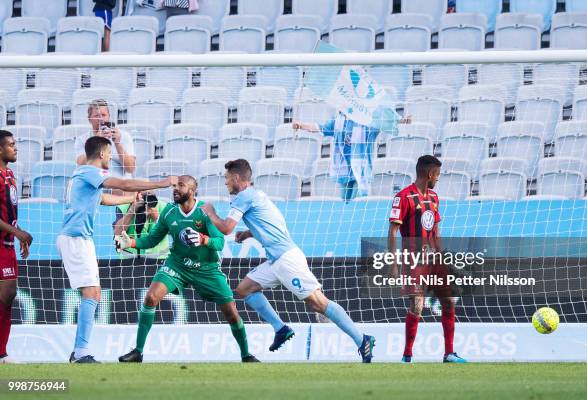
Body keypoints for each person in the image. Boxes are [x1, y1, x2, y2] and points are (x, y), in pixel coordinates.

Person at [201, 159, 376, 363]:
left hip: (286, 260)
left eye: (227, 178)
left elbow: (226, 228)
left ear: (237, 177)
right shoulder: (257, 195)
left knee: (319, 303)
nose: (225, 183)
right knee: (244, 289)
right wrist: (250, 233)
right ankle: (281, 329)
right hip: (277, 259)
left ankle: (362, 339)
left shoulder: (243, 196)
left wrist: (211, 212)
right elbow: (272, 222)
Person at [58, 136, 177, 363]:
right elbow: (123, 183)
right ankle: (79, 352)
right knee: (91, 293)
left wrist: (133, 198)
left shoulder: (82, 175)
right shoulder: (90, 172)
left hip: (77, 238)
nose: (111, 157)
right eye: (110, 153)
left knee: (93, 293)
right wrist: (161, 183)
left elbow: (102, 198)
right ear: (102, 153)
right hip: (76, 239)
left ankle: (79, 350)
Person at [116, 175, 258, 363]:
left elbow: (219, 242)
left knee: (231, 312)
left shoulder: (205, 211)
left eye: (180, 186)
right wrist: (131, 242)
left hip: (206, 268)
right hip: (178, 264)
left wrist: (203, 239)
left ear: (191, 191)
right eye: (175, 186)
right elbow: (152, 239)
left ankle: (246, 355)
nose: (175, 189)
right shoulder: (168, 211)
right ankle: (138, 351)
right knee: (151, 297)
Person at [387, 155, 467, 363]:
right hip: (413, 259)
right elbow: (393, 230)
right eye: (437, 175)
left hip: (435, 260)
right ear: (431, 174)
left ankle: (449, 353)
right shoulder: (403, 197)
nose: (438, 179)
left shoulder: (434, 197)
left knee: (448, 302)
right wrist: (393, 263)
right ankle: (407, 354)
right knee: (417, 305)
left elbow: (436, 230)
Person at [293, 112, 410, 201]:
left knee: (357, 204)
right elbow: (319, 127)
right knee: (345, 205)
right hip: (344, 171)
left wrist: (402, 120)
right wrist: (300, 125)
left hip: (361, 172)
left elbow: (384, 121)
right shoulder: (338, 121)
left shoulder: (368, 122)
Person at [0, 130, 33, 364]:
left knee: (8, 296)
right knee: (6, 295)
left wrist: (18, 232)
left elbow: (8, 212)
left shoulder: (9, 174)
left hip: (8, 244)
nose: (15, 147)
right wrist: (18, 232)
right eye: (11, 144)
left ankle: (2, 352)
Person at [76, 99, 136, 179]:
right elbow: (81, 164)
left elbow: (130, 169)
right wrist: (95, 141)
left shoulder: (124, 136)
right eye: (97, 116)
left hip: (121, 183)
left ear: (109, 117)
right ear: (89, 119)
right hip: (96, 182)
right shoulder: (82, 139)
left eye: (104, 115)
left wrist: (118, 144)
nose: (101, 119)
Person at [113, 191, 169, 259]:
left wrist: (156, 217)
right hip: (129, 260)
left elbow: (172, 231)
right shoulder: (124, 206)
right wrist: (132, 210)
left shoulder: (163, 206)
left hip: (158, 259)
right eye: (142, 192)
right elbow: (117, 233)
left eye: (149, 191)